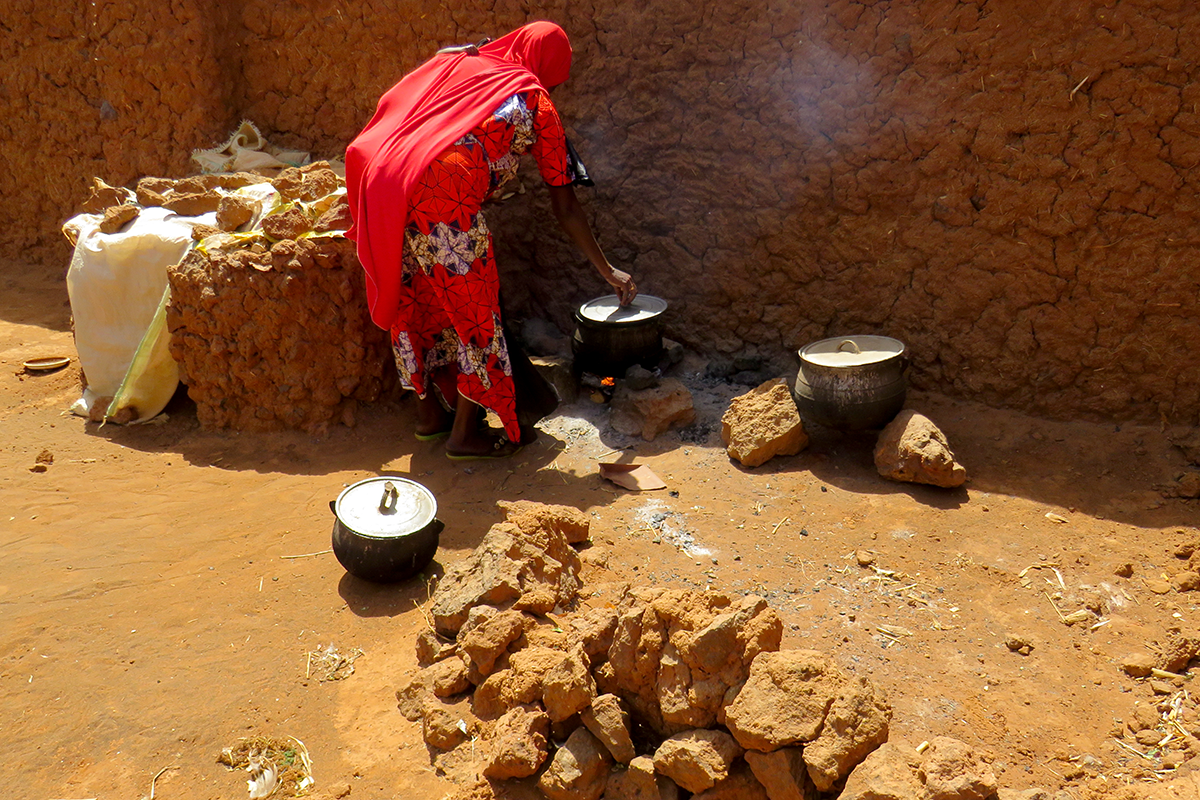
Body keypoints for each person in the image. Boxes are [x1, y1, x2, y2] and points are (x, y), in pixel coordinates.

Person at [345, 21, 635, 460]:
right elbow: (567, 206)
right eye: (556, 76)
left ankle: (430, 419)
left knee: (417, 300)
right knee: (478, 316)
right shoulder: (534, 98)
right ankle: (465, 437)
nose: (553, 84)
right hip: (444, 195)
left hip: (388, 185)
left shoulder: (463, 63)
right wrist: (606, 269)